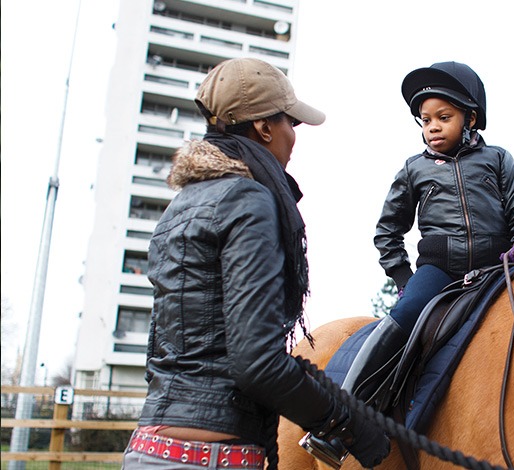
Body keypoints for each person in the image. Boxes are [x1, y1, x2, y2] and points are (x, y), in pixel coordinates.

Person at [124, 58, 389, 470]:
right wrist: (349, 423)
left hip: (150, 448)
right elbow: (258, 364)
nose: (292, 136)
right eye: (290, 123)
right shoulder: (248, 200)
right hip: (214, 456)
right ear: (264, 128)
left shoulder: (181, 206)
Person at [302, 61, 514, 463]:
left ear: (471, 118)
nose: (432, 127)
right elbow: (387, 231)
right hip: (439, 272)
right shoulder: (413, 169)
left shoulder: (499, 159)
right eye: (425, 119)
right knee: (404, 317)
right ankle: (341, 423)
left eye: (443, 118)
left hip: (499, 268)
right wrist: (403, 276)